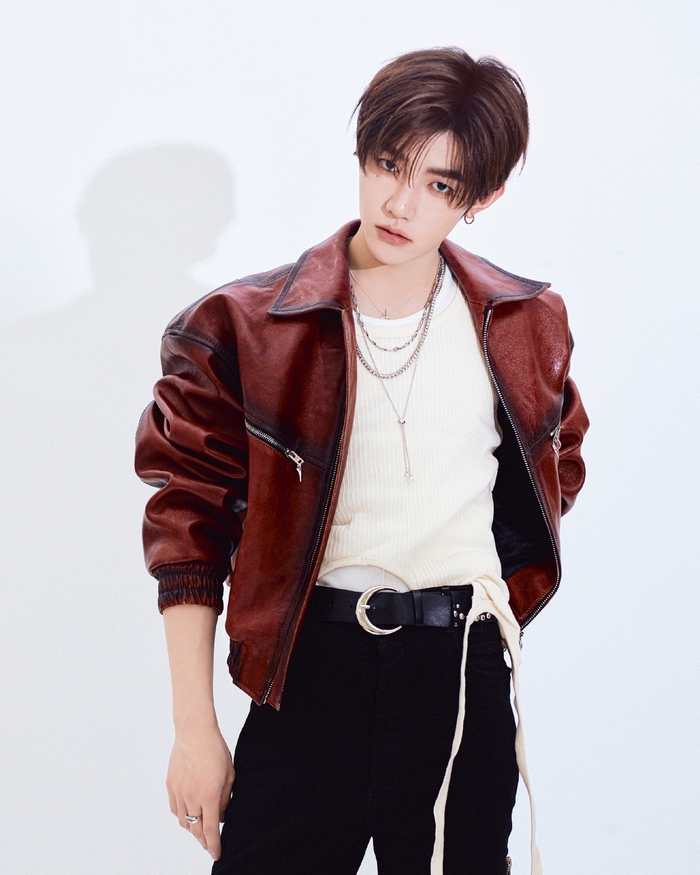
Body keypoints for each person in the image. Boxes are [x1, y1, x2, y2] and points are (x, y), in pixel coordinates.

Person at [135, 46, 588, 875]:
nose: (401, 203)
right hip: (310, 672)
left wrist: (484, 607)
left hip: (461, 678)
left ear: (481, 197)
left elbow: (553, 469)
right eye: (388, 165)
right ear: (362, 152)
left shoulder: (525, 321)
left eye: (440, 185)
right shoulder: (242, 327)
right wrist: (194, 730)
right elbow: (188, 531)